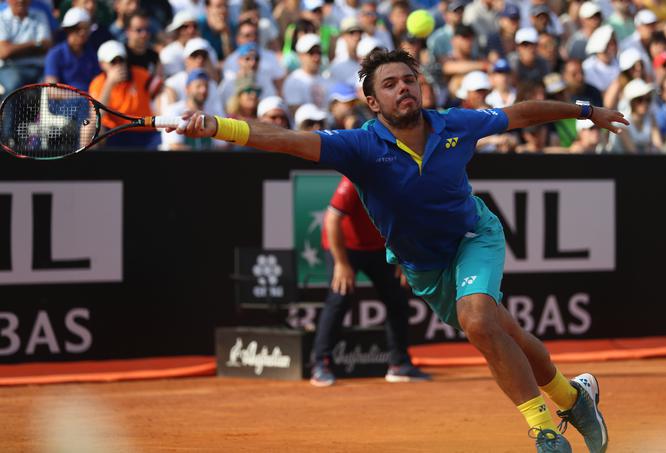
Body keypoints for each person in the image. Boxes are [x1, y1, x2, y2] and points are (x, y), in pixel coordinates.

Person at [173, 48, 628, 453]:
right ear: (373, 102)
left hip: (474, 236)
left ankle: (545, 432)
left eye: (409, 80)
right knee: (506, 335)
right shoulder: (359, 146)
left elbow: (522, 113)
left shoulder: (456, 124)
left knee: (478, 319)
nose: (403, 89)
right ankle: (574, 397)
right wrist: (217, 126)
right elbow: (286, 139)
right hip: (424, 266)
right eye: (389, 85)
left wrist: (585, 110)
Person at [309, 175, 431, 387]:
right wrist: (341, 263)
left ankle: (399, 364)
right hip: (343, 246)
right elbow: (332, 220)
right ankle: (321, 365)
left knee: (397, 300)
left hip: (378, 248)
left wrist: (404, 258)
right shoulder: (354, 179)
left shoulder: (400, 182)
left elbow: (405, 223)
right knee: (339, 298)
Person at [89, 40, 160, 149]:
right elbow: (97, 114)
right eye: (113, 62)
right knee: (89, 127)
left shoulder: (140, 74)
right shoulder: (98, 83)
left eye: (121, 60)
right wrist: (110, 83)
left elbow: (161, 90)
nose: (118, 65)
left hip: (145, 130)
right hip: (116, 132)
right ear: (102, 64)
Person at [0, 0, 52, 98]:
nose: (21, 1)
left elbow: (47, 45)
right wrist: (34, 44)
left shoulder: (40, 15)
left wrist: (14, 48)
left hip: (38, 68)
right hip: (8, 67)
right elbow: (4, 52)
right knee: (14, 85)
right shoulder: (1, 18)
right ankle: (7, 114)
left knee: (51, 87)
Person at [44, 7, 101, 91]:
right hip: (62, 104)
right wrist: (81, 97)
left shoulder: (92, 53)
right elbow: (51, 90)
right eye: (77, 28)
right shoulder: (55, 54)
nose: (82, 33)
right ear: (67, 30)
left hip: (90, 101)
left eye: (85, 29)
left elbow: (98, 83)